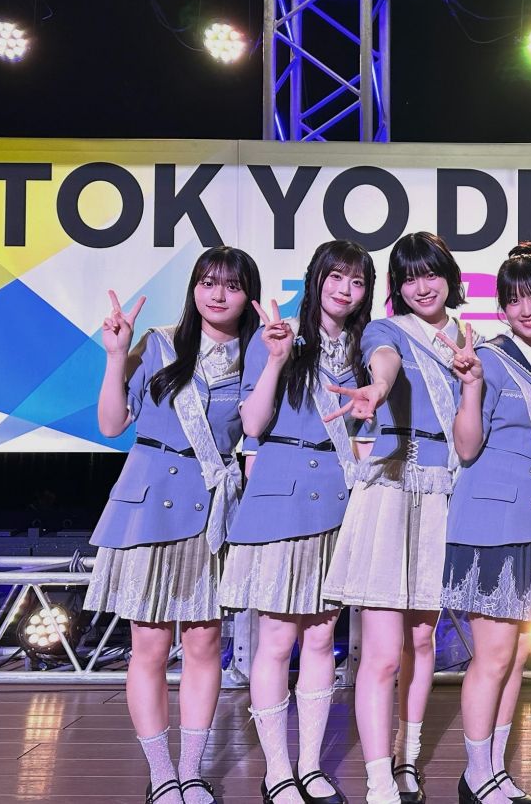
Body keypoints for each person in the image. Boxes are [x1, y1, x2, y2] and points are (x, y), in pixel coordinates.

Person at [85, 246, 261, 804]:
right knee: (150, 645)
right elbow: (112, 423)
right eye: (207, 282)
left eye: (231, 285)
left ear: (248, 296)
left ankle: (191, 771)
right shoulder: (158, 343)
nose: (217, 294)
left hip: (211, 509)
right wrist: (116, 356)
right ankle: (161, 774)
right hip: (148, 503)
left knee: (206, 644)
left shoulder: (257, 356)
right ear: (193, 288)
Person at [219, 239, 375, 804]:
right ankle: (277, 772)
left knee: (322, 637)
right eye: (336, 277)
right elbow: (252, 424)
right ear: (316, 279)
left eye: (357, 282)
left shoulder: (364, 348)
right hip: (281, 500)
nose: (345, 290)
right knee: (277, 639)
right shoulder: (277, 335)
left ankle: (309, 766)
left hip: (337, 501)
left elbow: (366, 436)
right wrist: (277, 359)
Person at [322, 231, 470, 804]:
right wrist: (378, 388)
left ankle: (408, 759)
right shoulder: (386, 331)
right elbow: (382, 363)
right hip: (392, 485)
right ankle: (378, 779)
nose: (422, 286)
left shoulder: (472, 338)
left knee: (423, 639)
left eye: (430, 273)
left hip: (444, 492)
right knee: (383, 652)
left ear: (448, 276)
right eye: (408, 278)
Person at [439, 242, 531, 804]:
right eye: (515, 299)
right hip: (492, 524)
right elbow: (467, 446)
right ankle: (476, 775)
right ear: (500, 308)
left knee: (519, 655)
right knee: (494, 656)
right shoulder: (489, 359)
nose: (527, 309)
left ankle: (493, 770)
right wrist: (471, 386)